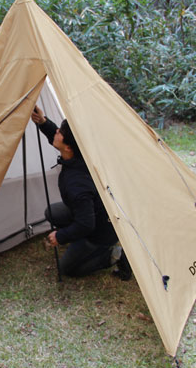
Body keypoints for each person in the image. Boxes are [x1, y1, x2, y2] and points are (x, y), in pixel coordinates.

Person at [31, 105, 130, 280]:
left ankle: (113, 254)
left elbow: (86, 224)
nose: (57, 133)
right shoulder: (81, 154)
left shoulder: (75, 183)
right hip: (93, 213)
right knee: (52, 213)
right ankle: (78, 241)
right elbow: (61, 136)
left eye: (60, 133)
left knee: (68, 269)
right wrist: (43, 122)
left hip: (101, 231)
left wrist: (61, 236)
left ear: (68, 148)